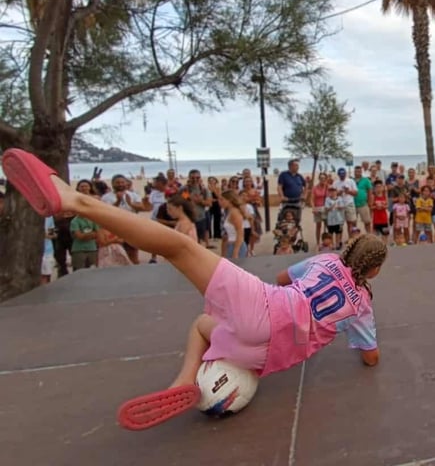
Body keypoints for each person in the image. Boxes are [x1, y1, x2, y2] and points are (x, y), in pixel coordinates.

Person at [0, 148, 388, 431]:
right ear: (374, 270)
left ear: (349, 250)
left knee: (180, 250)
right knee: (204, 323)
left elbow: (284, 278)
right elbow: (370, 357)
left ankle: (77, 200)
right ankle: (190, 383)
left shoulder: (325, 261)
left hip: (266, 308)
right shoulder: (363, 304)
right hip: (266, 356)